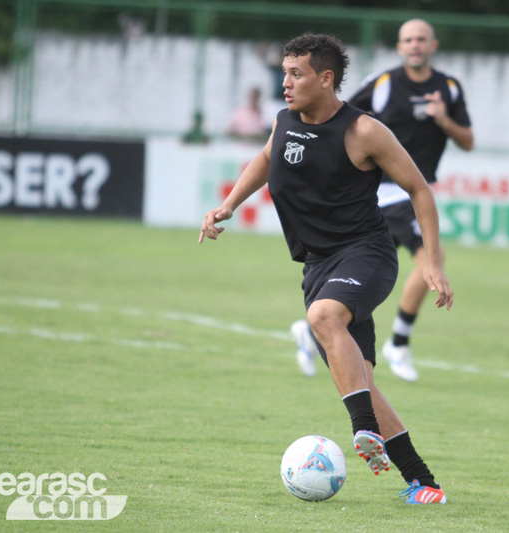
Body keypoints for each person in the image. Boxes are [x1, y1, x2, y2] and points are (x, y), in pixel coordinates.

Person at [199, 33, 452, 504]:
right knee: (363, 381)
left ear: (326, 78)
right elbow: (266, 156)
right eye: (285, 72)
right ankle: (423, 483)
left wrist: (433, 260)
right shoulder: (285, 122)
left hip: (367, 254)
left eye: (296, 73)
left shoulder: (364, 131)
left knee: (322, 317)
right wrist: (229, 204)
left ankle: (363, 431)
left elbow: (420, 189)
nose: (285, 82)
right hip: (317, 266)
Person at [291, 19, 473, 381]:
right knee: (431, 258)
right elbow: (336, 114)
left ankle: (312, 329)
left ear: (433, 45)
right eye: (408, 40)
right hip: (382, 193)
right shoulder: (383, 83)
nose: (415, 45)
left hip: (416, 190)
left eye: (421, 39)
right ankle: (399, 342)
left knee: (364, 274)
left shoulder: (449, 88)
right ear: (400, 46)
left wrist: (443, 120)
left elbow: (468, 140)